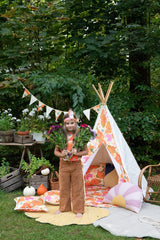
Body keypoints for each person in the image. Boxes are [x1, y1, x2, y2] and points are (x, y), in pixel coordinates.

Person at [54, 109, 88, 217]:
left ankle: (79, 210)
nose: (70, 125)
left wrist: (77, 153)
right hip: (64, 165)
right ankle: (64, 208)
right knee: (63, 187)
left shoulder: (80, 136)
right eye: (67, 123)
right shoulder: (61, 136)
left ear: (75, 123)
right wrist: (62, 154)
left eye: (72, 123)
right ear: (64, 124)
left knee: (78, 187)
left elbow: (86, 151)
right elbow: (55, 151)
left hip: (76, 165)